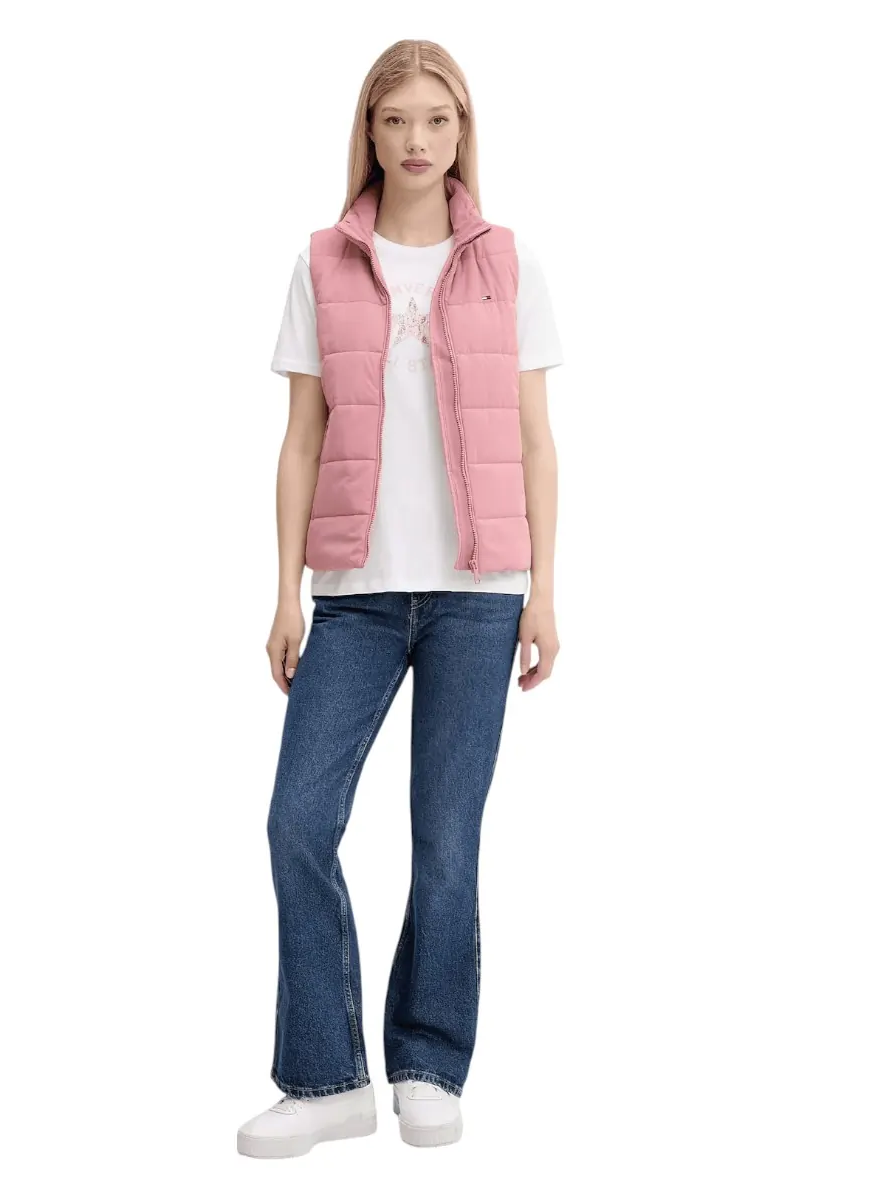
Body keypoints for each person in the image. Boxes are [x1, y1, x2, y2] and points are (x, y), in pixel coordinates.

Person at [237, 39, 562, 1159]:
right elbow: (300, 438)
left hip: (480, 595)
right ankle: (326, 1079)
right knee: (297, 820)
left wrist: (545, 592)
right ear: (368, 133)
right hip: (356, 596)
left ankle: (427, 1060)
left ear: (462, 130)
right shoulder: (322, 263)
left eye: (436, 119)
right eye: (395, 120)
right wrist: (285, 592)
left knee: (446, 839)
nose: (416, 140)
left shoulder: (506, 263)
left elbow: (535, 439)